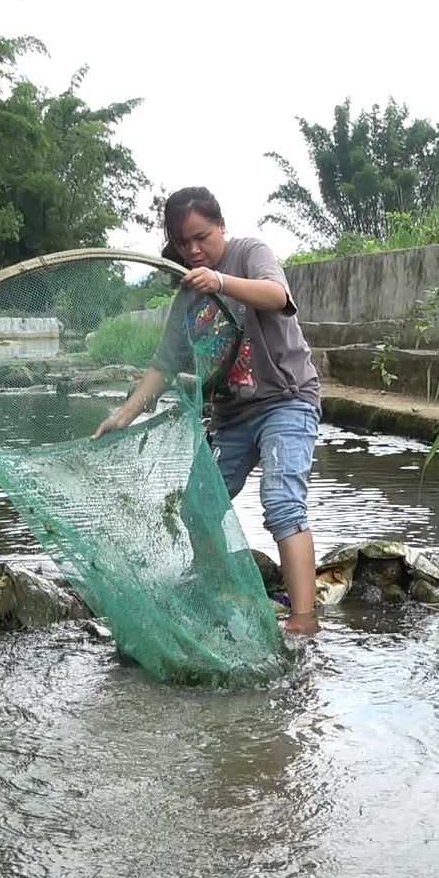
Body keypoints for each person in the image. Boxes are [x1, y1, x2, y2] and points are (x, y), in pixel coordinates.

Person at [92, 186, 323, 635]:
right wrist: (125, 413)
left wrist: (219, 282)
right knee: (198, 506)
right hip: (232, 416)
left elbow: (276, 295)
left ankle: (303, 620)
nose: (194, 250)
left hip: (287, 401)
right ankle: (222, 590)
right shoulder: (186, 297)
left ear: (221, 226)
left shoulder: (248, 253)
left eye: (202, 237)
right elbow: (164, 363)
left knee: (281, 503)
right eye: (183, 243)